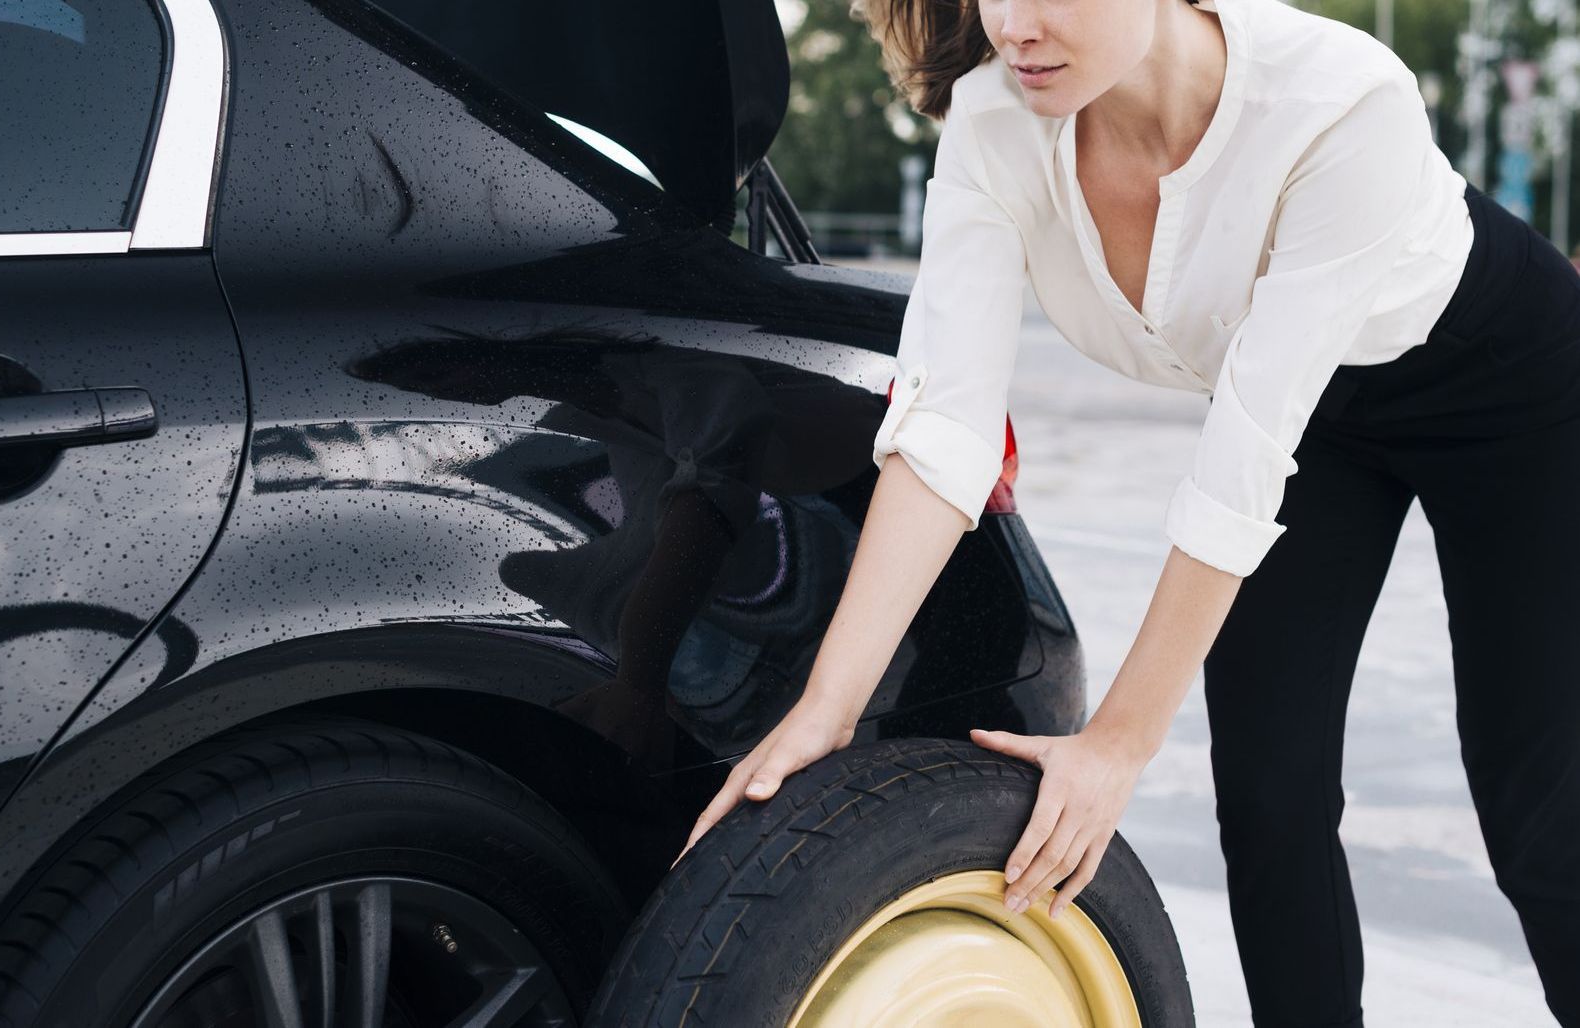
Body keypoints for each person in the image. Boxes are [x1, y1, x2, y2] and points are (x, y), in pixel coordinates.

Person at [674, 0, 1580, 1022]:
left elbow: (1242, 455)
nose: (1011, 24)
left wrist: (1115, 743)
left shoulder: (1341, 100)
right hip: (1317, 422)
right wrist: (824, 708)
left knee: (1538, 815)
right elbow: (945, 431)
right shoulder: (994, 122)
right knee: (1268, 803)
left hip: (1512, 390)